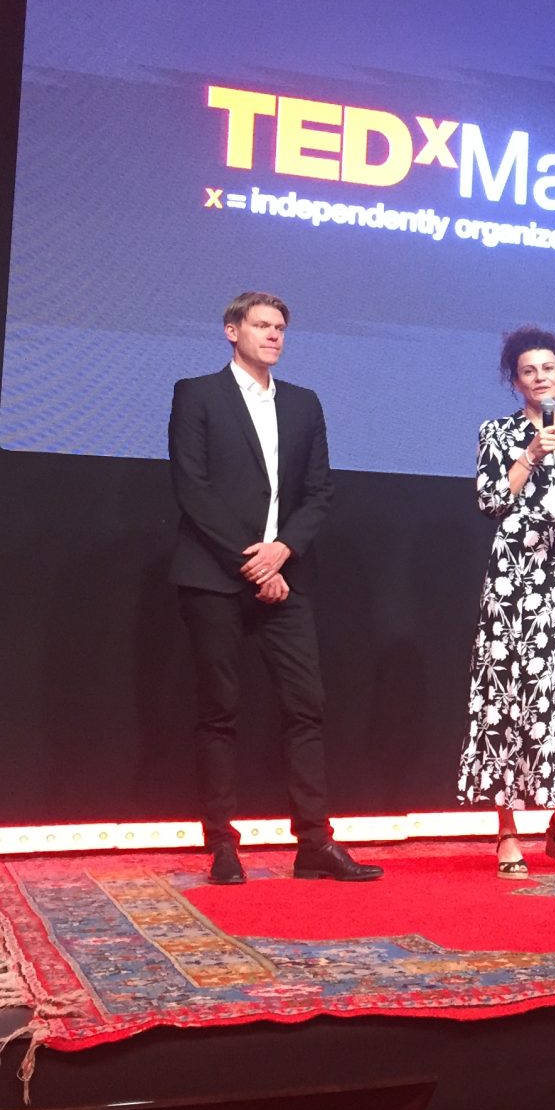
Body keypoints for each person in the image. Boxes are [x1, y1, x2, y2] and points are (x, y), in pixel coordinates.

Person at [167, 292, 382, 885]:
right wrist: (252, 563)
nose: (274, 336)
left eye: (281, 327)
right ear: (232, 331)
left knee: (306, 707)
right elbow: (193, 488)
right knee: (220, 712)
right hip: (214, 577)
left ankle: (314, 843)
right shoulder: (197, 394)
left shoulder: (305, 404)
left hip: (288, 577)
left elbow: (319, 492)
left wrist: (282, 553)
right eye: (262, 326)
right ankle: (222, 847)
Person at [458, 325, 555, 876]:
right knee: (508, 695)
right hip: (514, 578)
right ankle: (506, 832)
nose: (539, 377)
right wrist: (527, 456)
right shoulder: (496, 433)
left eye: (548, 369)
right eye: (528, 371)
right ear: (515, 381)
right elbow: (491, 500)